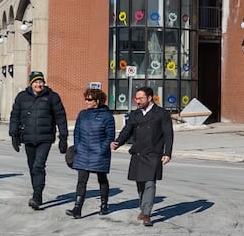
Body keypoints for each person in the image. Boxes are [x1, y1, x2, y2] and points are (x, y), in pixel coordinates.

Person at [110, 86, 173, 227]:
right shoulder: (135, 114)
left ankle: (146, 213)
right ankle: (143, 207)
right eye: (136, 99)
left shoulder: (161, 114)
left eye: (140, 98)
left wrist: (167, 153)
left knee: (150, 183)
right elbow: (127, 130)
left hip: (153, 153)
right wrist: (118, 142)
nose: (137, 101)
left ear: (150, 98)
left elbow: (168, 134)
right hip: (138, 153)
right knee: (140, 183)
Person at [9, 71, 68, 210]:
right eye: (36, 82)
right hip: (28, 137)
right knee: (32, 167)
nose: (39, 84)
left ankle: (37, 195)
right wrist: (14, 134)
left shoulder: (52, 97)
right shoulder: (22, 97)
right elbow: (15, 116)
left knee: (38, 166)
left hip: (45, 138)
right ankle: (37, 191)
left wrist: (63, 137)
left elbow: (61, 116)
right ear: (31, 83)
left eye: (41, 81)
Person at [66, 87, 115, 219]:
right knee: (81, 180)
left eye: (89, 100)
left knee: (102, 179)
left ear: (97, 101)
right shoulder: (83, 114)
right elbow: (77, 132)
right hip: (83, 152)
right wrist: (78, 146)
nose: (87, 102)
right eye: (86, 99)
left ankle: (104, 205)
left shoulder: (107, 116)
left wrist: (102, 149)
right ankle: (77, 208)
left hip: (99, 153)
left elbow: (110, 135)